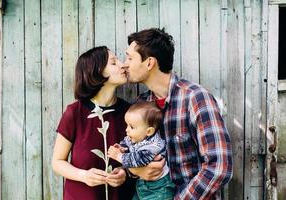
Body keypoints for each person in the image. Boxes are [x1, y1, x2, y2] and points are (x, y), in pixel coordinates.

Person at [123, 28, 233, 199]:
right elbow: (135, 157)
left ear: (149, 63)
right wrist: (133, 170)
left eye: (130, 58)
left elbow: (219, 167)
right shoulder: (141, 105)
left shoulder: (195, 98)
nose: (125, 64)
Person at [52, 46, 134, 200]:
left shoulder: (130, 114)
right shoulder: (74, 113)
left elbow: (139, 157)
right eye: (114, 62)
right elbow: (57, 162)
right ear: (97, 72)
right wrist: (83, 176)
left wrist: (125, 173)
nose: (123, 64)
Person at [108, 101, 176, 200]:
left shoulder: (153, 146)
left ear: (149, 131)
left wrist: (118, 156)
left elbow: (138, 160)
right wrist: (122, 148)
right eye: (127, 125)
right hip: (142, 185)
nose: (127, 130)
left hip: (159, 189)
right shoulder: (137, 136)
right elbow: (126, 143)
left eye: (131, 127)